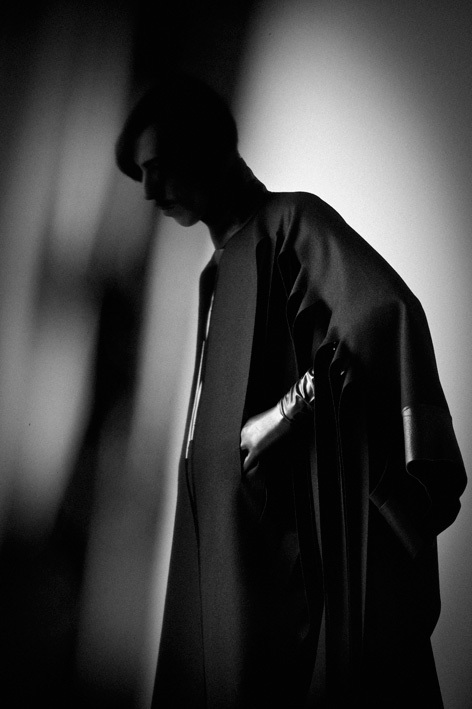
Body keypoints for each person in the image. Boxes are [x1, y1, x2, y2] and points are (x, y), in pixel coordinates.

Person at [115, 73, 466, 708]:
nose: (148, 190)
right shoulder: (216, 270)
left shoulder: (291, 223)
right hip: (220, 542)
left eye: (159, 167)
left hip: (284, 556)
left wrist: (281, 415)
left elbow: (383, 318)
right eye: (141, 173)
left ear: (203, 146)